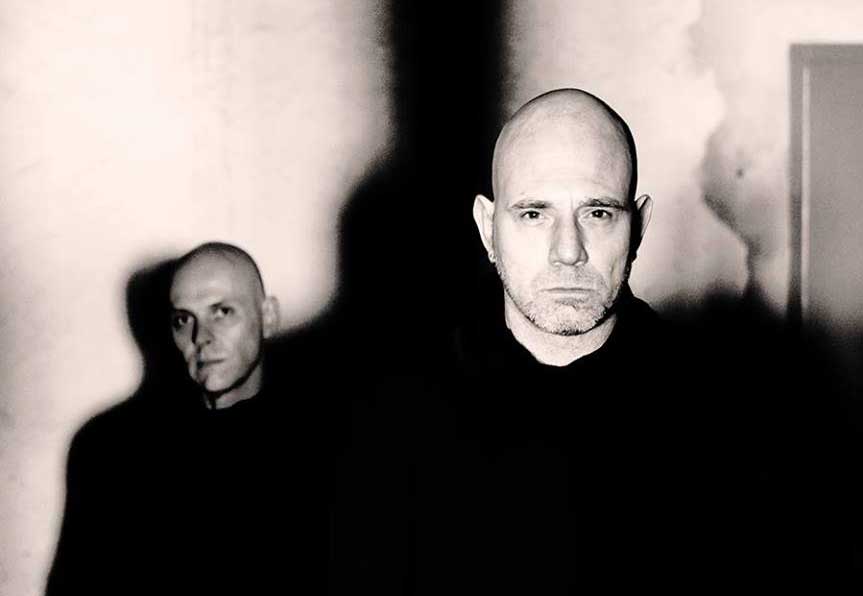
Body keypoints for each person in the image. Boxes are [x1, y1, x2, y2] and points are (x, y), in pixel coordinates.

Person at [47, 243, 335, 596]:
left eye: (222, 312)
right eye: (184, 320)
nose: (201, 338)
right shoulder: (110, 447)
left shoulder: (323, 440)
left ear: (269, 316)